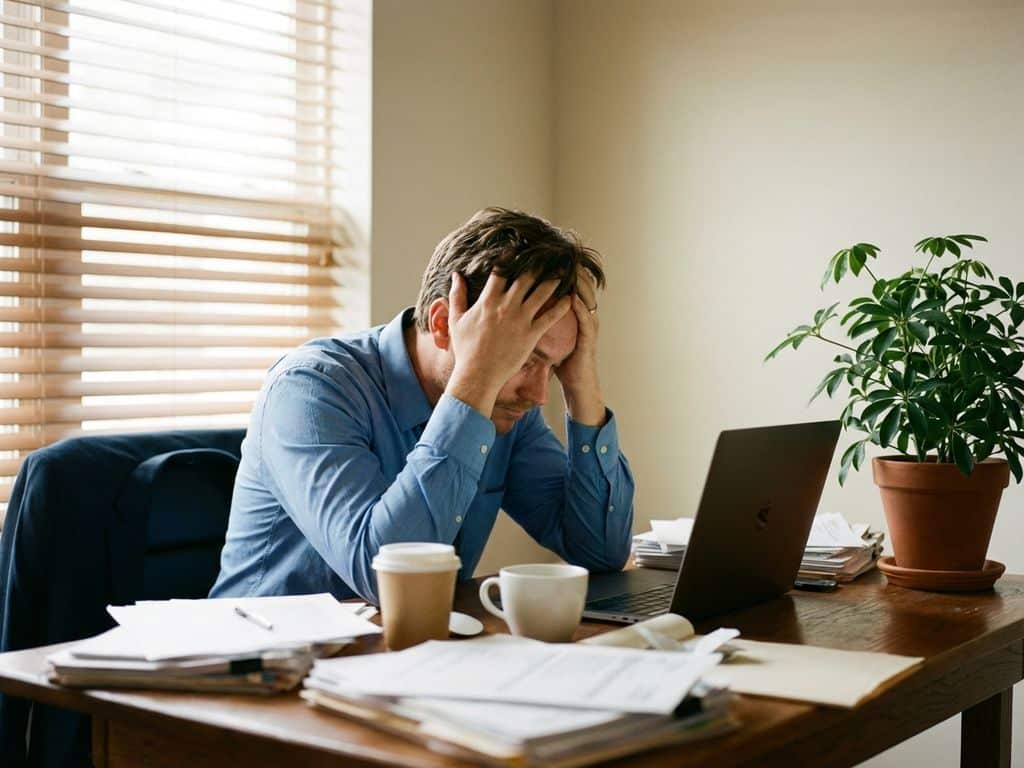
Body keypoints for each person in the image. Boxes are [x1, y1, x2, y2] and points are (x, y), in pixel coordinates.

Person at [210, 207, 635, 603]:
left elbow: (598, 554)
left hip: (406, 658)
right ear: (442, 324)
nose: (538, 395)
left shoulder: (508, 410)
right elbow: (388, 578)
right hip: (262, 667)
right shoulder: (309, 389)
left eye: (554, 366)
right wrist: (478, 380)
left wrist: (582, 386)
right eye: (523, 360)